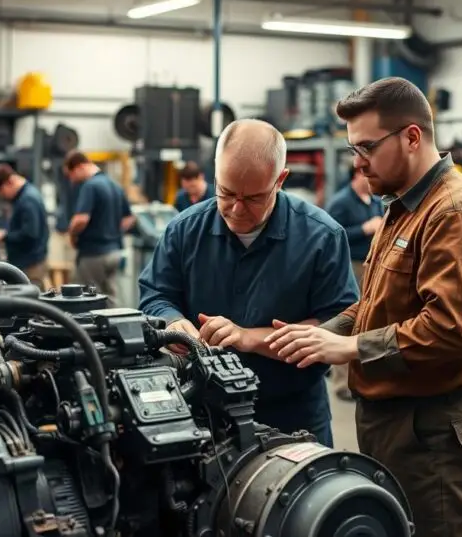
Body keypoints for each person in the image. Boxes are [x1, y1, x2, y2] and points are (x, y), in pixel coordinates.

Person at [266, 77, 462, 537]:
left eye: (367, 148)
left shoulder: (452, 212)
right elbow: (376, 305)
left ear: (412, 137)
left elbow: (455, 329)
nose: (359, 164)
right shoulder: (404, 207)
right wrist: (323, 334)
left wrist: (352, 348)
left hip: (430, 430)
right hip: (398, 422)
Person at [138, 119, 358, 447]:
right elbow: (156, 294)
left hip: (291, 416)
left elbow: (339, 325)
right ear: (215, 174)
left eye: (253, 198)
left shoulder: (321, 237)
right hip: (202, 412)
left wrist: (249, 338)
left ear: (280, 180)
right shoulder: (184, 230)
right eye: (226, 193)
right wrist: (173, 323)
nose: (237, 209)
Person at [324, 167, 384, 400]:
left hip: (372, 266)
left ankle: (364, 378)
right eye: (365, 174)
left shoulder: (375, 201)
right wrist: (364, 229)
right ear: (356, 176)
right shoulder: (341, 202)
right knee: (348, 320)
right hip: (353, 264)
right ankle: (342, 384)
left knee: (370, 321)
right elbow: (331, 234)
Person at [64, 151, 136, 303]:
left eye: (71, 174)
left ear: (79, 167)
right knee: (110, 299)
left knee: (85, 300)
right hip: (115, 252)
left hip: (93, 254)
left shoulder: (90, 186)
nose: (71, 180)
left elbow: (81, 219)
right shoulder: (115, 185)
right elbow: (129, 219)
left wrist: (72, 235)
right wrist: (113, 232)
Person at [0, 164, 49, 288]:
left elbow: (30, 233)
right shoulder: (26, 196)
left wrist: (3, 236)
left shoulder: (28, 200)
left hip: (30, 267)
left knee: (30, 304)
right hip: (29, 263)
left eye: (2, 191)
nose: (3, 196)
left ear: (9, 182)